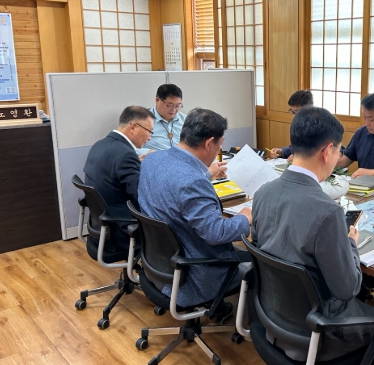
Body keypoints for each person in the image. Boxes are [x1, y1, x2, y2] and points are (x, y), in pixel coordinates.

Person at [251, 106, 374, 364]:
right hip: (319, 333)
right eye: (339, 151)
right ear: (328, 151)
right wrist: (350, 243)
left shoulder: (263, 193)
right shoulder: (327, 212)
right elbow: (348, 288)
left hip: (275, 319)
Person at [139, 108, 252, 308]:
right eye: (220, 144)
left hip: (160, 265)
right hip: (194, 277)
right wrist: (245, 217)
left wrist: (206, 175)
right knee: (262, 265)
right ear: (209, 143)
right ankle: (250, 323)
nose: (218, 150)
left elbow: (175, 186)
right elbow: (216, 234)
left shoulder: (152, 160)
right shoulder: (193, 182)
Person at [84, 106, 155, 251]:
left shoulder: (100, 145)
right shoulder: (125, 155)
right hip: (123, 230)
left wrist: (136, 164)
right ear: (133, 127)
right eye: (149, 131)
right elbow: (141, 197)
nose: (149, 137)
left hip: (104, 225)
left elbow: (113, 174)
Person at [138, 83, 187, 156]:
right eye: (169, 105)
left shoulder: (185, 120)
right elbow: (132, 146)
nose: (174, 109)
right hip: (155, 159)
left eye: (177, 106)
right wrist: (152, 153)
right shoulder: (142, 119)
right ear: (157, 100)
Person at [269, 89, 313, 159]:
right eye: (292, 111)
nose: (294, 115)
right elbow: (295, 148)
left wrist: (301, 157)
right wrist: (282, 152)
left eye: (297, 111)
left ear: (309, 109)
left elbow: (320, 152)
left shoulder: (319, 126)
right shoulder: (297, 124)